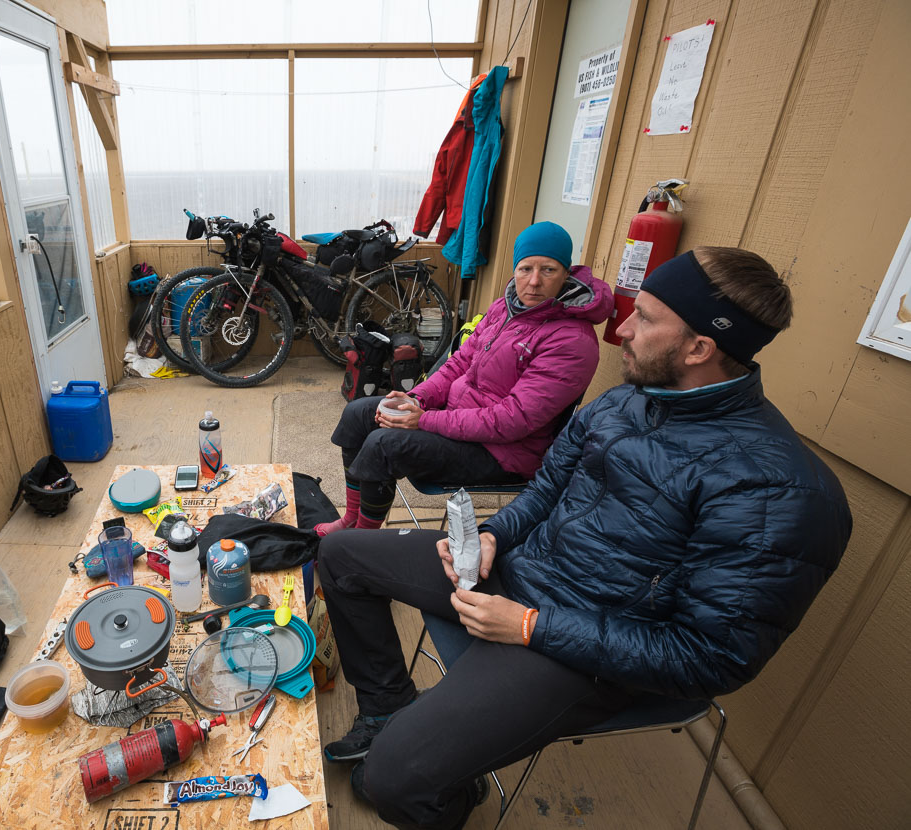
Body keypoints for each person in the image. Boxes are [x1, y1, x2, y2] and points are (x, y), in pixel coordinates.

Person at [316, 246, 853, 830]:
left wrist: (529, 627)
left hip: (591, 649)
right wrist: (496, 535)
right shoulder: (624, 402)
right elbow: (545, 491)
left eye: (645, 318)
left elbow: (708, 659)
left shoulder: (777, 490)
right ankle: (389, 709)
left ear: (700, 348)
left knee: (389, 783)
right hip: (520, 576)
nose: (620, 330)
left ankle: (449, 790)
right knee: (340, 553)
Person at [315, 221, 614, 536]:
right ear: (515, 270)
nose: (534, 281)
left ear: (566, 273)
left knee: (384, 444)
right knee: (358, 413)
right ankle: (351, 519)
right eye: (525, 269)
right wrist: (416, 398)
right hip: (457, 419)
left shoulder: (572, 342)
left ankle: (361, 540)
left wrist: (424, 420)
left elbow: (512, 420)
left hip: (503, 451)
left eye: (549, 270)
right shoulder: (506, 308)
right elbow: (457, 364)